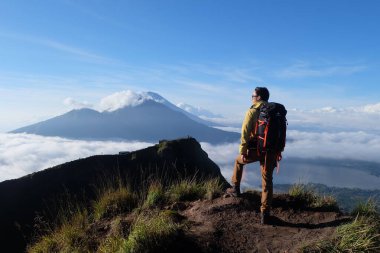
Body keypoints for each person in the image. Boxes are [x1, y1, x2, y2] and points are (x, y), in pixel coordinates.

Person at [226, 87, 277, 225]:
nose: (251, 98)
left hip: (256, 151)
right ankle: (265, 215)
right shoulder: (273, 112)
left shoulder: (253, 111)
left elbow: (245, 132)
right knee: (267, 182)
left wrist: (243, 151)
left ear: (259, 97)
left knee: (238, 161)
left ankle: (235, 189)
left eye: (253, 95)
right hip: (271, 152)